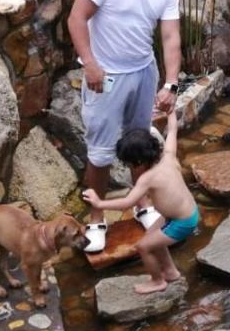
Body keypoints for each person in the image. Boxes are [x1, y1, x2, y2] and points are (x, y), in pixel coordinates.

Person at [66, 0, 182, 254]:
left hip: (143, 71)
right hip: (107, 76)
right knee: (101, 152)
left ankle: (143, 205)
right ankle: (97, 218)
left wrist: (171, 83)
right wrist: (89, 63)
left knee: (140, 142)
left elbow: (171, 36)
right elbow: (77, 18)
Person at [82, 106, 197, 295]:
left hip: (181, 222)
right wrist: (170, 113)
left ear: (137, 163)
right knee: (152, 237)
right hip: (184, 213)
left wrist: (99, 203)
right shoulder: (168, 157)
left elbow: (126, 203)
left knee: (143, 247)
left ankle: (157, 281)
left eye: (127, 163)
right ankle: (170, 271)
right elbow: (173, 131)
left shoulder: (147, 179)